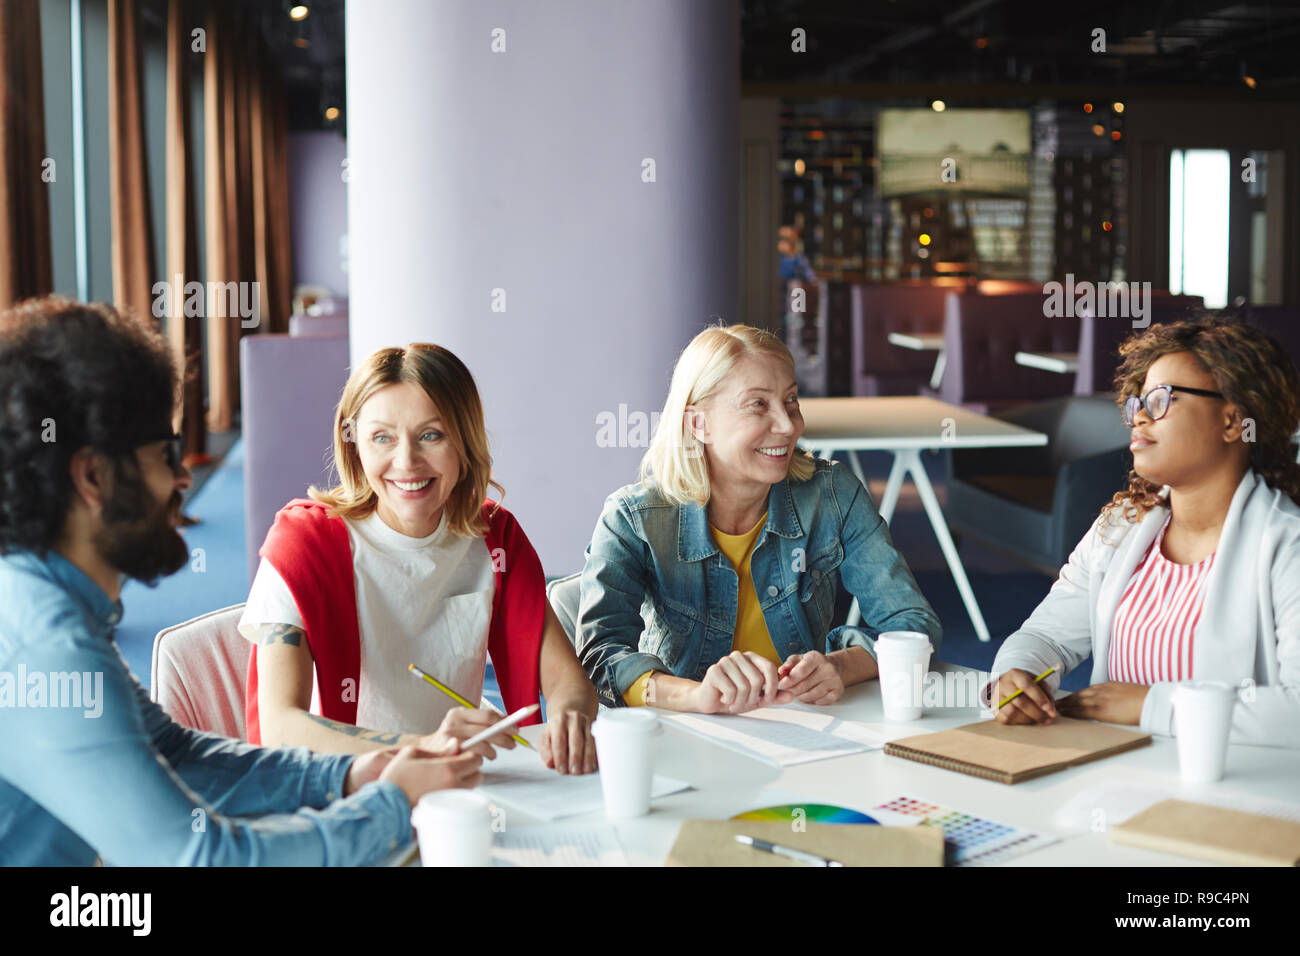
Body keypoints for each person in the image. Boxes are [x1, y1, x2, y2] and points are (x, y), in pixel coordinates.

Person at [0, 297, 478, 865]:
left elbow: (176, 753)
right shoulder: (46, 647)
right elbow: (203, 859)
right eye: (164, 451)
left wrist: (352, 774)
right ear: (92, 476)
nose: (182, 475)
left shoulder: (41, 602)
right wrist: (393, 805)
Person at [242, 343, 599, 774]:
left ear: (465, 442)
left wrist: (571, 714)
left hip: (461, 781)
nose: (406, 461)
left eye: (431, 435)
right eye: (382, 438)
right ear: (354, 445)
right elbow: (281, 727)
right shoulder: (303, 545)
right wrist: (425, 744)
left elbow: (567, 683)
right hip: (345, 788)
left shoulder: (496, 539)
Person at [577, 323, 941, 713]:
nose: (788, 426)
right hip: (682, 735)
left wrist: (840, 665)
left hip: (809, 733)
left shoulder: (833, 494)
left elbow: (914, 626)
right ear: (698, 423)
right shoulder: (633, 519)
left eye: (791, 400)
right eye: (758, 405)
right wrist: (695, 696)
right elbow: (599, 659)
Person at [990, 318, 1300, 748]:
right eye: (1137, 403)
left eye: (1160, 400)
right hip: (1108, 776)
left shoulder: (1288, 544)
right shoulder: (1121, 526)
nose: (1139, 418)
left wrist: (1151, 705)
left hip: (1226, 795)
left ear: (1232, 421)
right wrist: (1015, 674)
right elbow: (1045, 636)